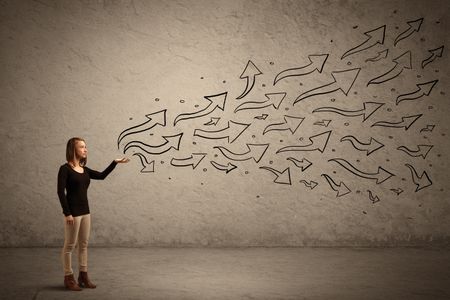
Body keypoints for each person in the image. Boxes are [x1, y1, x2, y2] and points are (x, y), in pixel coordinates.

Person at [57, 137, 129, 291]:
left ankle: (83, 277)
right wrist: (67, 213)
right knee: (69, 246)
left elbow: (102, 176)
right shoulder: (65, 169)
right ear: (73, 149)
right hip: (73, 213)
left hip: (85, 212)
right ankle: (68, 277)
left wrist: (114, 163)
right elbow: (60, 192)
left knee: (83, 245)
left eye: (85, 147)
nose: (85, 149)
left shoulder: (85, 170)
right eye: (82, 147)